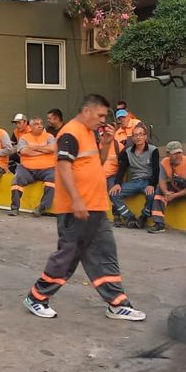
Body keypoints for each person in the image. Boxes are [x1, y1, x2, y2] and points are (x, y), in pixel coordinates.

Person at [24, 93, 146, 322]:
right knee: (67, 257)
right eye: (100, 115)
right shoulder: (70, 133)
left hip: (96, 207)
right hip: (76, 209)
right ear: (87, 111)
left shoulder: (89, 133)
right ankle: (36, 297)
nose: (103, 120)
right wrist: (77, 200)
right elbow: (63, 167)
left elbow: (95, 163)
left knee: (106, 254)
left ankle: (117, 304)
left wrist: (107, 143)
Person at [149, 141, 186, 239]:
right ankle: (159, 224)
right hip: (177, 186)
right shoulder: (164, 162)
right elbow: (162, 181)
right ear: (168, 154)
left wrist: (176, 195)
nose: (178, 156)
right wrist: (166, 192)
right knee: (159, 190)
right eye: (174, 154)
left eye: (179, 153)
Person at [109, 123, 158, 228]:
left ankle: (143, 217)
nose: (138, 137)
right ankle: (129, 217)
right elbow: (122, 169)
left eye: (141, 134)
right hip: (134, 182)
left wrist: (152, 184)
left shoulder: (153, 150)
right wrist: (117, 183)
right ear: (132, 138)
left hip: (148, 181)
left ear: (145, 136)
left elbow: (156, 170)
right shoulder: (127, 152)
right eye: (135, 135)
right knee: (113, 194)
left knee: (152, 195)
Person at [9, 116, 57, 217]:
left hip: (47, 169)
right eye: (36, 124)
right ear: (30, 127)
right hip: (27, 169)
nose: (40, 126)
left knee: (53, 179)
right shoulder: (24, 137)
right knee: (17, 179)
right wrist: (43, 151)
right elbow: (23, 151)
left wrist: (34, 148)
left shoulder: (49, 136)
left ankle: (41, 208)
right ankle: (14, 208)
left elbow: (52, 149)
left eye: (41, 123)